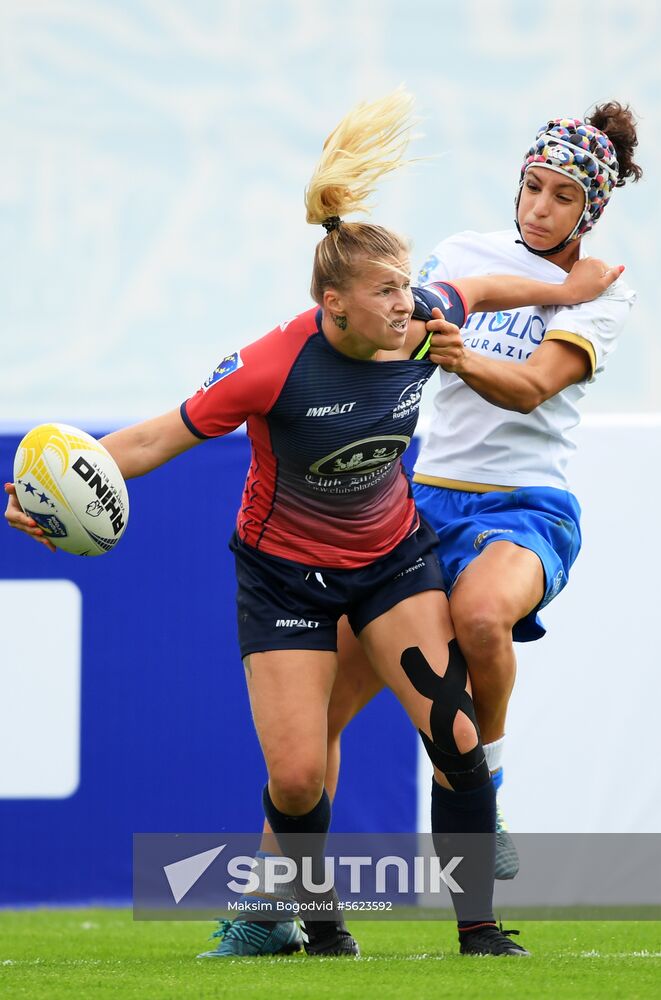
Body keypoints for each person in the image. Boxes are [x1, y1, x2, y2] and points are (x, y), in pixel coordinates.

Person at [4, 91, 621, 959]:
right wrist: (47, 488)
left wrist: (565, 287)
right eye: (386, 294)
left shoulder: (416, 324)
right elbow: (154, 436)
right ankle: (304, 920)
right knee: (296, 774)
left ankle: (479, 931)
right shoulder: (268, 366)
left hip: (392, 564)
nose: (409, 307)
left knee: (453, 735)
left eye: (409, 289)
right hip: (283, 576)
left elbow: (477, 285)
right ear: (332, 305)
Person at [216, 100, 641, 957]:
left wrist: (449, 347)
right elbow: (383, 335)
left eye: (561, 196)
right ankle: (277, 911)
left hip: (522, 506)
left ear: (588, 211)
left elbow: (527, 388)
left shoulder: (605, 289)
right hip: (414, 511)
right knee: (315, 734)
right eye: (530, 185)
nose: (537, 207)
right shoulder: (459, 258)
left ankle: (490, 778)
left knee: (483, 616)